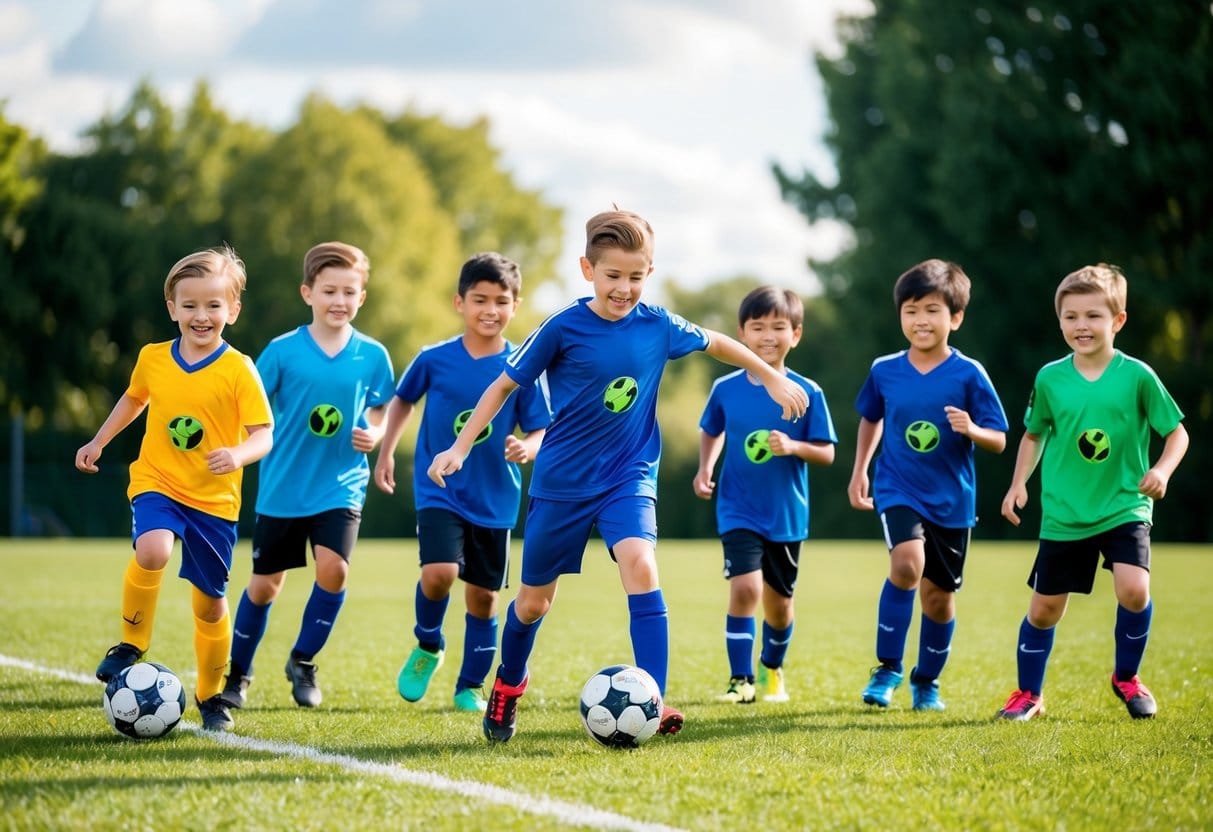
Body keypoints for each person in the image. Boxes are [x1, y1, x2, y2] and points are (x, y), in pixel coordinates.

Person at [428, 208, 810, 743]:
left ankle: (652, 696)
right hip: (561, 484)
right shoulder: (562, 327)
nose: (624, 288)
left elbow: (720, 343)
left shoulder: (659, 325)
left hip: (627, 476)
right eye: (613, 276)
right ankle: (508, 685)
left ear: (649, 273)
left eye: (636, 276)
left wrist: (769, 376)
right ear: (588, 269)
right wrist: (460, 447)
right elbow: (503, 387)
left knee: (641, 563)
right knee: (535, 602)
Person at [75, 245, 274, 732]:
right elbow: (133, 398)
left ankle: (211, 697)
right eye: (190, 305)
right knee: (153, 550)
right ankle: (130, 644)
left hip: (213, 500)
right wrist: (99, 440)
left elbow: (264, 434)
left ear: (233, 310)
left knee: (210, 602)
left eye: (213, 306)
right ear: (172, 309)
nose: (201, 316)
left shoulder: (238, 368)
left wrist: (238, 455)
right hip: (157, 480)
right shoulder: (153, 358)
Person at [996, 264, 1188, 721]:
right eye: (1071, 317)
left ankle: (1127, 678)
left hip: (1124, 505)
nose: (1081, 326)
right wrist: (1018, 483)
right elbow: (1033, 434)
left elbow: (1177, 433)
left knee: (1134, 590)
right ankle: (1029, 694)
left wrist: (1162, 470)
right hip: (1065, 512)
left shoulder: (1138, 376)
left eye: (1093, 316)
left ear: (1117, 321)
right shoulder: (1050, 378)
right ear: (1059, 320)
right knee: (1044, 610)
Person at [219, 242, 395, 711]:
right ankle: (237, 674)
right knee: (265, 585)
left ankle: (303, 660)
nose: (339, 300)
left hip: (340, 484)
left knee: (334, 570)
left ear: (362, 296)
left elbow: (383, 404)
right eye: (329, 290)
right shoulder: (282, 352)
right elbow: (249, 405)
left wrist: (375, 432)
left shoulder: (372, 355)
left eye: (349, 292)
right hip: (283, 486)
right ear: (308, 293)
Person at [373, 252, 550, 713]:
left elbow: (539, 428)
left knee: (484, 596)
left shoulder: (522, 366)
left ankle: (469, 685)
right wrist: (387, 450)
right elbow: (403, 401)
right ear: (459, 302)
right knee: (439, 573)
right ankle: (428, 643)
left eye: (500, 301)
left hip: (495, 497)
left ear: (515, 305)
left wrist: (528, 448)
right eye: (479, 299)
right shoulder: (434, 358)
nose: (489, 310)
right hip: (440, 487)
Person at [847, 259, 1008, 711]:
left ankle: (926, 681)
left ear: (955, 317)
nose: (920, 320)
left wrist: (973, 430)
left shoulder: (969, 374)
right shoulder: (885, 370)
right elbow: (870, 418)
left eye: (932, 310)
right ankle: (887, 669)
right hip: (897, 486)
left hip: (952, 500)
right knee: (906, 564)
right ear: (900, 315)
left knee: (939, 599)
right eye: (911, 310)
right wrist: (861, 469)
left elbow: (998, 438)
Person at [693, 286, 837, 705]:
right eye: (758, 327)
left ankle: (771, 668)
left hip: (787, 514)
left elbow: (827, 452)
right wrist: (705, 468)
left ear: (796, 334)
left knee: (779, 606)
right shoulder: (726, 388)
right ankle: (741, 680)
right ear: (742, 333)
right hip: (738, 508)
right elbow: (711, 429)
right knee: (745, 590)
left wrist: (793, 447)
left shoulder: (808, 392)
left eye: (778, 327)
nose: (767, 336)